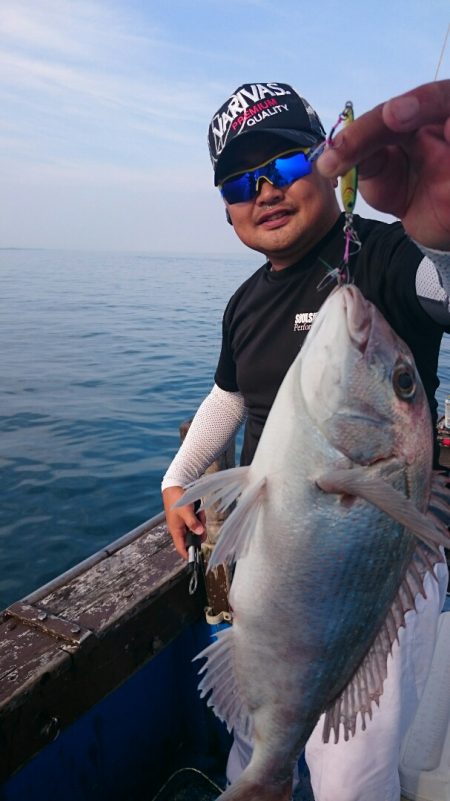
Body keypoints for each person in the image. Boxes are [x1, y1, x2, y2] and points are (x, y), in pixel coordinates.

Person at [161, 81, 450, 801]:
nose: (266, 189)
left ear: (329, 163)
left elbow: (440, 285)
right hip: (275, 553)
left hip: (371, 575)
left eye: (287, 164)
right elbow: (229, 395)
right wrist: (179, 475)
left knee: (353, 773)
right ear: (227, 209)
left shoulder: (387, 255)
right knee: (258, 737)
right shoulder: (245, 301)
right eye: (241, 179)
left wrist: (445, 240)